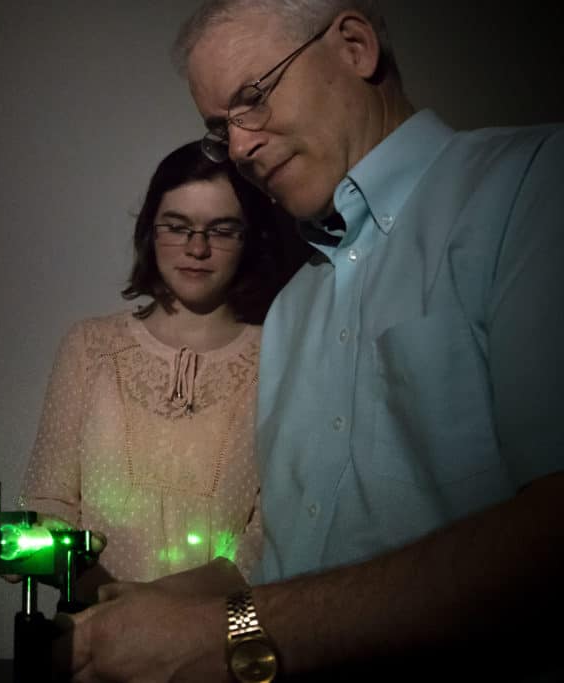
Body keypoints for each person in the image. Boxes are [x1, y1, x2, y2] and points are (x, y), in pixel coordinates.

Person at [58, 1, 564, 681]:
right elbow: (286, 581)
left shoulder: (532, 185)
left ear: (354, 46)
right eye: (219, 128)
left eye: (254, 98)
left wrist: (218, 636)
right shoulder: (294, 308)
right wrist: (157, 610)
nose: (239, 147)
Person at [16, 141, 306, 599]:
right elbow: (50, 497)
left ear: (250, 238)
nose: (197, 248)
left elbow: (274, 532)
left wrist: (164, 606)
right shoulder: (90, 346)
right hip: (93, 638)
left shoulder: (284, 358)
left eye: (222, 230)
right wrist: (27, 550)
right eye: (178, 226)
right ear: (151, 230)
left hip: (212, 647)